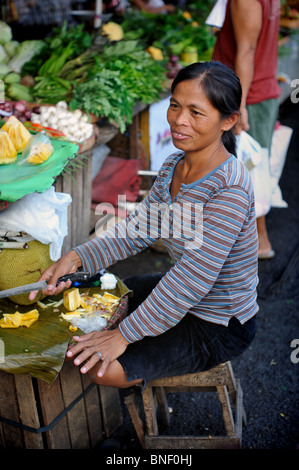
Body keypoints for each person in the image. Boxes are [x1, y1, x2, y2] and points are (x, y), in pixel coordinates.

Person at [29, 61, 258, 390]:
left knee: (103, 370)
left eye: (196, 112)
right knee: (106, 296)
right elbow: (136, 231)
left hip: (218, 323)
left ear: (228, 120)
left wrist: (122, 336)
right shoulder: (174, 165)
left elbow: (192, 278)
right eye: (175, 105)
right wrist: (75, 259)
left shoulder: (230, 189)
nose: (179, 120)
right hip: (185, 296)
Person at [212, 0, 281, 259]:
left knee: (249, 171)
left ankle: (259, 241)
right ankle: (245, 241)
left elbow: (248, 50)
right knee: (250, 168)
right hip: (257, 91)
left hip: (247, 96)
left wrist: (238, 105)